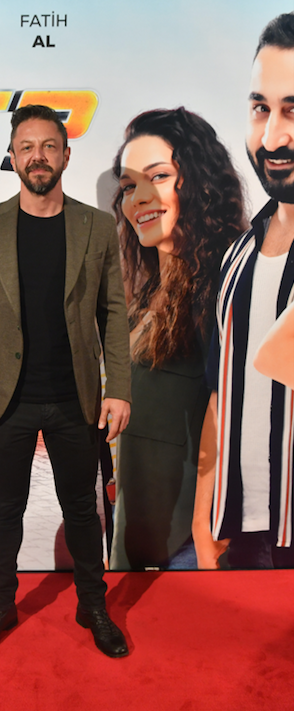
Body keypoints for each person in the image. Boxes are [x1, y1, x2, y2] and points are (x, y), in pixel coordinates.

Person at [0, 104, 131, 659]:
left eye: (49, 146)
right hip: (5, 399)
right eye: (26, 147)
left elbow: (114, 313)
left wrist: (119, 388)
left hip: (76, 397)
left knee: (81, 509)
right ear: (12, 157)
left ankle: (93, 605)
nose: (38, 156)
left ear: (66, 156)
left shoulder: (96, 226)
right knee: (5, 510)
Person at [110, 108, 247, 570]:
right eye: (129, 186)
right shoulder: (144, 295)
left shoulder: (226, 288)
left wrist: (205, 534)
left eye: (159, 176)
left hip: (192, 549)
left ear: (200, 183)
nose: (139, 198)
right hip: (139, 539)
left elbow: (231, 418)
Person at [192, 12, 294, 570]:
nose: (273, 137)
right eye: (261, 108)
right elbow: (220, 393)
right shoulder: (238, 255)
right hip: (243, 535)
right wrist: (203, 519)